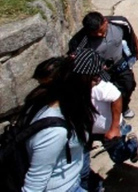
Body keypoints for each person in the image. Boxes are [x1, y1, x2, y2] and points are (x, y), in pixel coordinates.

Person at [21, 51, 95, 192]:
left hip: (72, 179)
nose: (97, 83)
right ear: (79, 87)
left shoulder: (43, 102)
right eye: (93, 80)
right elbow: (33, 186)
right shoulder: (55, 132)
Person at [69, 12, 138, 120]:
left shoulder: (121, 23)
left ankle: (123, 107)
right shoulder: (79, 41)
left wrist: (136, 51)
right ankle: (110, 113)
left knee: (128, 85)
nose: (100, 35)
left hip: (119, 63)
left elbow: (130, 35)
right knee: (105, 94)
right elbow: (75, 59)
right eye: (95, 33)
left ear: (105, 22)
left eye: (102, 31)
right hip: (99, 73)